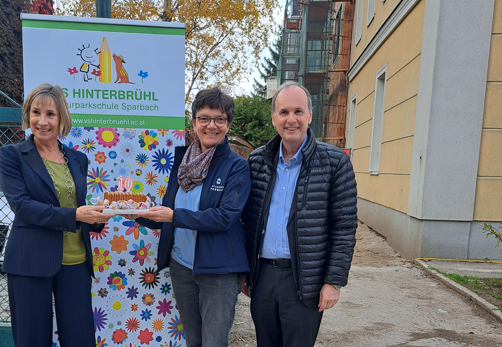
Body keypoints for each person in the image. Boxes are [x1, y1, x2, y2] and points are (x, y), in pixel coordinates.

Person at [132, 86, 251, 347]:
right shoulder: (182, 162)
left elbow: (224, 217)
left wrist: (173, 216)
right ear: (194, 122)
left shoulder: (236, 166)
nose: (212, 125)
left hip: (219, 272)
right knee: (193, 341)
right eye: (205, 118)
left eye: (220, 119)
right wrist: (134, 211)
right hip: (182, 267)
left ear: (228, 125)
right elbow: (167, 213)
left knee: (213, 343)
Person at [241, 81, 358, 347]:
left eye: (298, 111)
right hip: (263, 276)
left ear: (309, 115)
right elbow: (248, 221)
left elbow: (344, 227)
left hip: (305, 280)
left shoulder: (335, 162)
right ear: (273, 118)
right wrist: (245, 271)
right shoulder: (257, 162)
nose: (291, 119)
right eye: (283, 112)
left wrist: (333, 281)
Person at [0, 83, 112, 347]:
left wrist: (95, 217)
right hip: (30, 262)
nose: (42, 121)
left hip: (76, 262)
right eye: (36, 112)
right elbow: (23, 207)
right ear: (27, 115)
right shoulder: (11, 155)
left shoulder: (78, 159)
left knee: (80, 339)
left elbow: (77, 205)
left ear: (61, 117)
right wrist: (76, 216)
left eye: (50, 114)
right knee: (32, 341)